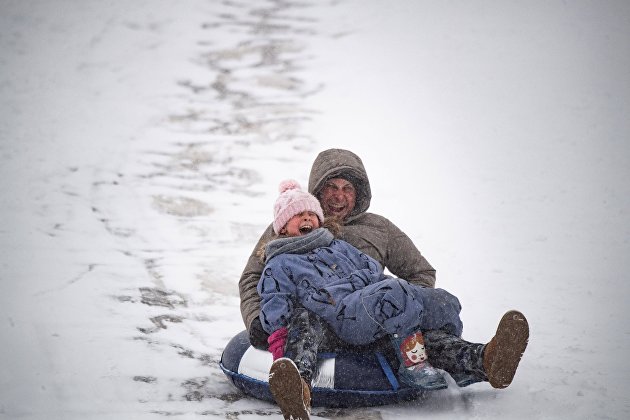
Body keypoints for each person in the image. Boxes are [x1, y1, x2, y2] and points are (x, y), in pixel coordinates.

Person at [238, 149, 529, 418]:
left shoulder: (379, 228)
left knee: (427, 331)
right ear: (317, 189)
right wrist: (259, 324)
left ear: (359, 193)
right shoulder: (289, 227)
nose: (339, 197)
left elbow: (420, 272)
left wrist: (403, 313)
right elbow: (256, 278)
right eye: (331, 187)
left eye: (347, 189)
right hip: (321, 323)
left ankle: (487, 360)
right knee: (306, 318)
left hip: (377, 320)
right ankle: (296, 383)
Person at [259, 179, 466, 419]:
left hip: (368, 304)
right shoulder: (280, 262)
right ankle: (297, 386)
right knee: (393, 292)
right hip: (341, 315)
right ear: (283, 227)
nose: (306, 219)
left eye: (311, 214)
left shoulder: (337, 245)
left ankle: (475, 361)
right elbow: (275, 303)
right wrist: (278, 352)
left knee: (444, 299)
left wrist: (404, 299)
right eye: (297, 215)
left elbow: (372, 268)